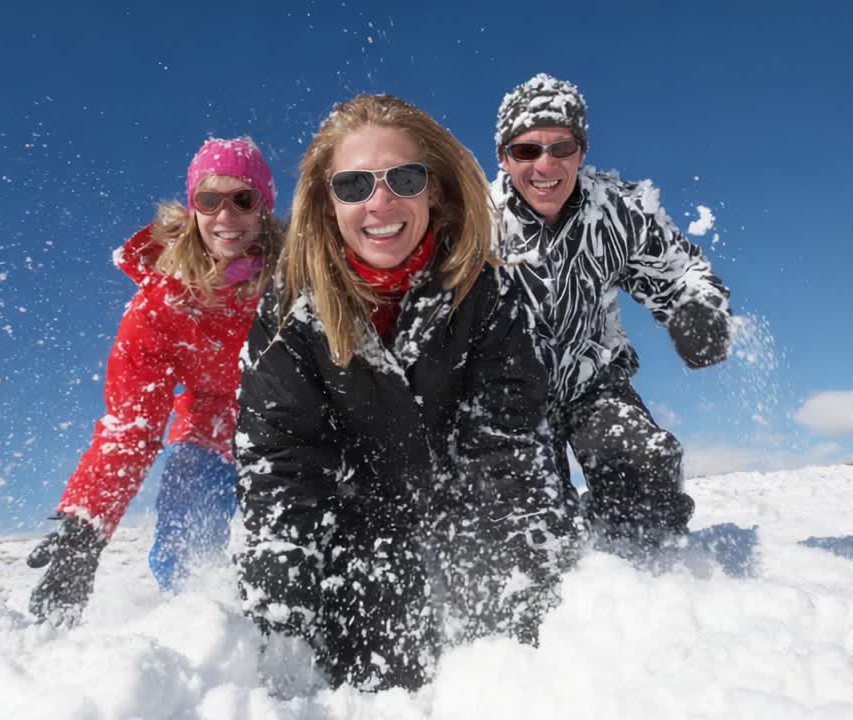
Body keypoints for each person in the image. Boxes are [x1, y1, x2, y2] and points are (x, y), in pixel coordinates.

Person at [234, 94, 580, 691]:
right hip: (359, 526)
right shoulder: (290, 310)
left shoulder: (486, 294)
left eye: (404, 178)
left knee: (516, 646)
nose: (381, 202)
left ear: (435, 190)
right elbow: (283, 459)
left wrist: (516, 591)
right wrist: (282, 597)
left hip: (465, 510)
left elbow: (508, 452)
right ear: (325, 203)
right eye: (353, 186)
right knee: (372, 666)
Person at [27, 137, 281, 623]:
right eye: (210, 200)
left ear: (264, 208)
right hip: (209, 436)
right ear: (192, 210)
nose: (225, 216)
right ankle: (198, 630)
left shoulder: (293, 277)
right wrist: (84, 528)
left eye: (242, 199)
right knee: (188, 545)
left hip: (290, 432)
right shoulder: (162, 303)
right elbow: (132, 424)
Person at [491, 74, 733, 552]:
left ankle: (643, 570)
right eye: (526, 151)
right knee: (531, 535)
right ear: (503, 157)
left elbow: (681, 271)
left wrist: (698, 311)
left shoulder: (617, 210)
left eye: (561, 148)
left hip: (593, 383)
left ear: (581, 151)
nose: (546, 165)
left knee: (644, 471)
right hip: (509, 399)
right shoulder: (477, 222)